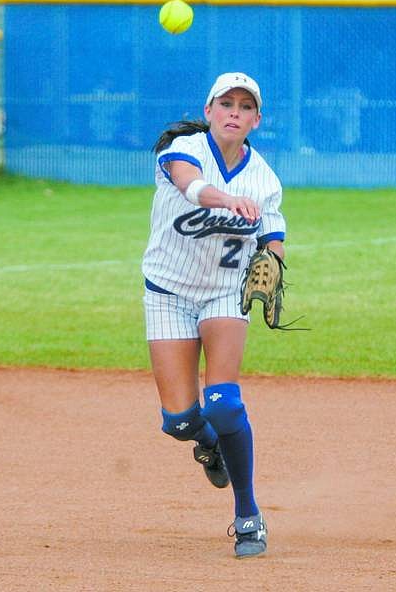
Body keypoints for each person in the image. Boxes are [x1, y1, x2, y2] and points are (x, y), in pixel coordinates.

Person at [142, 72, 286, 559]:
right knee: (179, 421)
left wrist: (275, 260)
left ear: (255, 120)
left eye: (245, 107)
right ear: (209, 111)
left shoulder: (264, 178)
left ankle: (248, 513)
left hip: (224, 294)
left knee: (223, 402)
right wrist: (228, 200)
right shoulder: (182, 150)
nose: (234, 113)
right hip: (168, 292)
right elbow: (191, 186)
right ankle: (208, 443)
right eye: (226, 103)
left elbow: (273, 237)